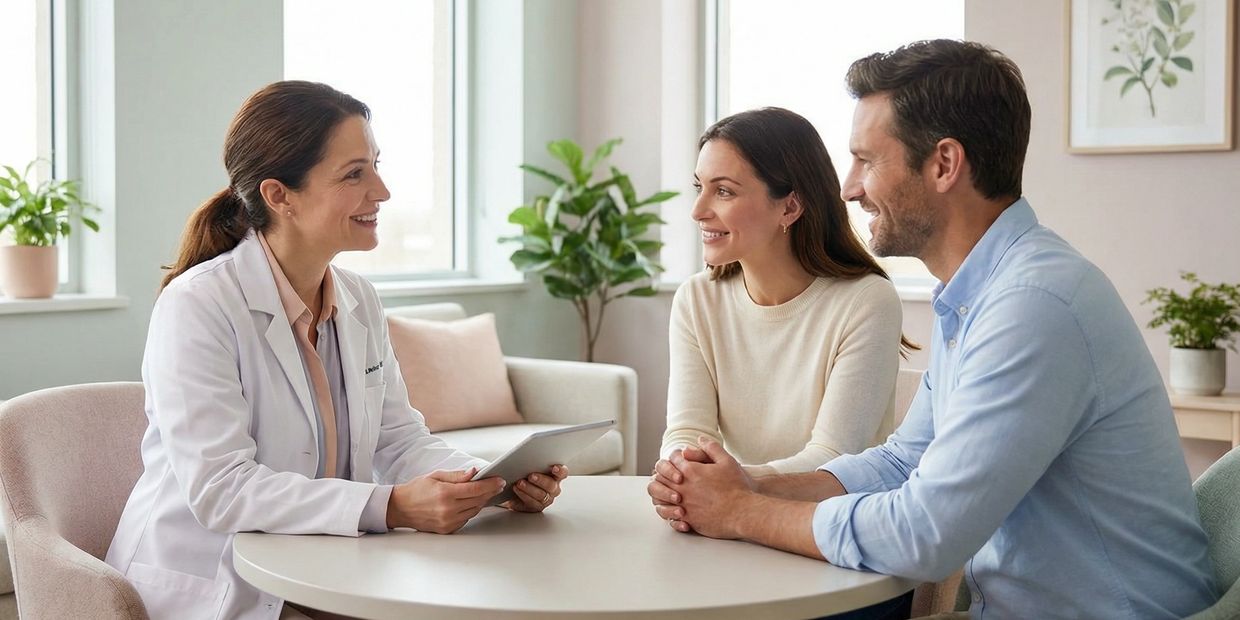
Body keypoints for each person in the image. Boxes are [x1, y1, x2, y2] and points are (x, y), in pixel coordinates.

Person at [648, 40, 1217, 619]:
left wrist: (742, 513)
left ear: (944, 164)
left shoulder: (1033, 306)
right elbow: (902, 462)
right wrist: (748, 484)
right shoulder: (977, 296)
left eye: (867, 161)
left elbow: (924, 534)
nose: (847, 188)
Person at [105, 81, 567, 620]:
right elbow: (221, 489)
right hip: (215, 584)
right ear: (280, 196)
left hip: (324, 567)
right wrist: (391, 506)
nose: (383, 190)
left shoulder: (357, 298)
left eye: (375, 164)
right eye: (355, 174)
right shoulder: (199, 305)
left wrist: (490, 479)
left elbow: (398, 438)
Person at [659, 107, 910, 478]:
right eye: (700, 187)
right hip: (727, 516)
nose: (698, 210)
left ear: (790, 207)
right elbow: (686, 433)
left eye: (724, 191)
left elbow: (834, 457)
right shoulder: (697, 299)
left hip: (832, 522)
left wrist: (729, 486)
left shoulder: (867, 301)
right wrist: (680, 474)